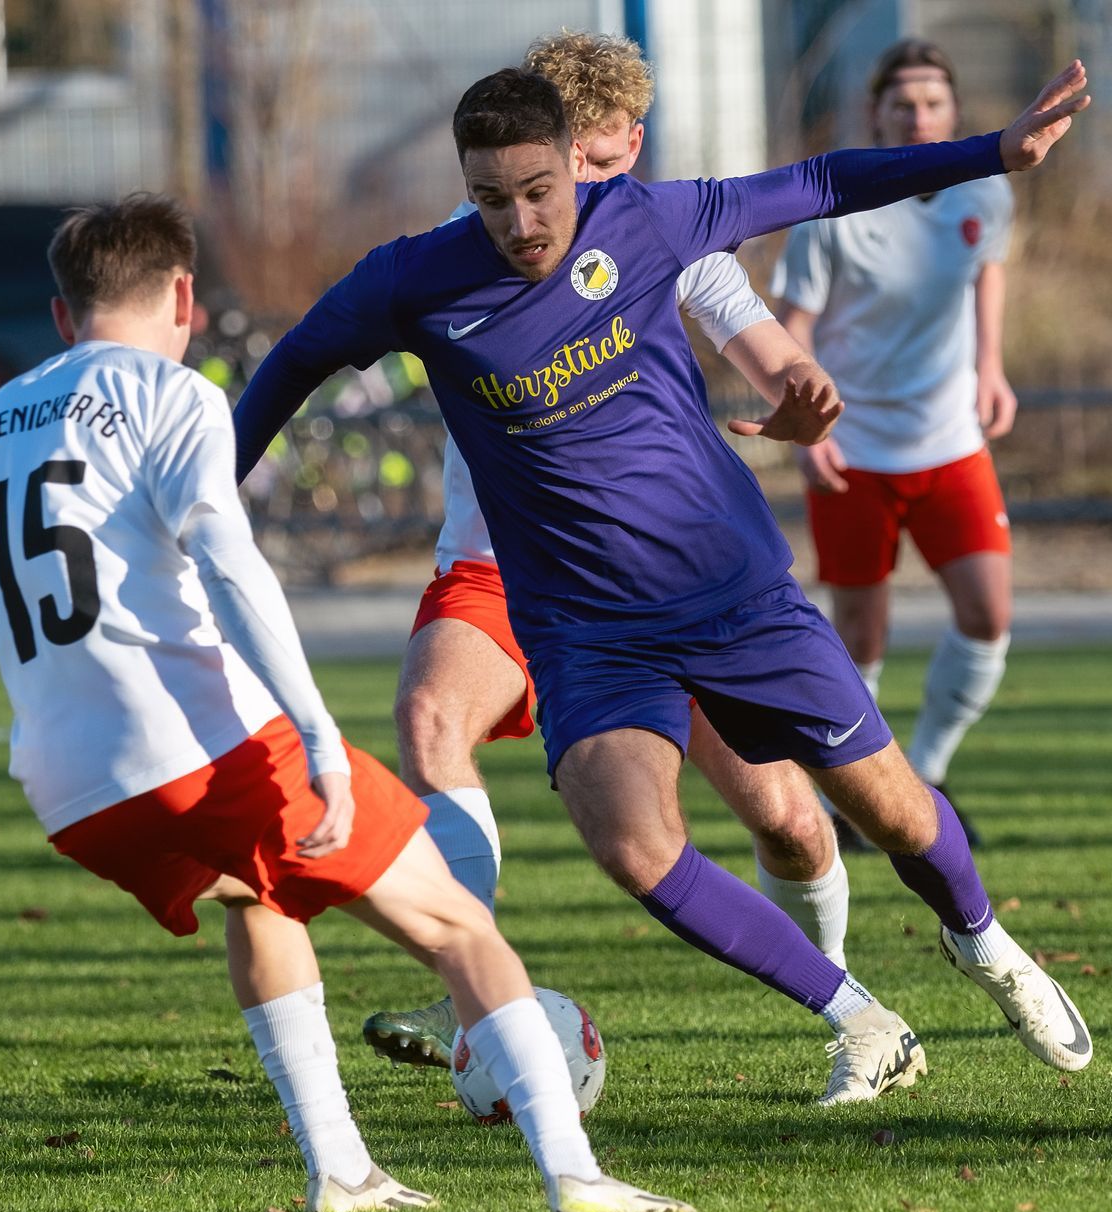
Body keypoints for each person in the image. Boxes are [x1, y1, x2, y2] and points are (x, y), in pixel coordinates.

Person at [235, 65, 1097, 1105]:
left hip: (733, 596)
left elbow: (821, 181)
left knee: (894, 816)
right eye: (491, 199)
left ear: (575, 165)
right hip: (585, 631)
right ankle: (857, 1013)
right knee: (634, 844)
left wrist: (992, 152)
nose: (520, 222)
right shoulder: (415, 279)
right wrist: (205, 492)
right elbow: (293, 363)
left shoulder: (646, 221)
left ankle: (984, 941)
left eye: (538, 192)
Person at [0, 194, 692, 1212]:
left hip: (73, 794)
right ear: (184, 299)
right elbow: (229, 561)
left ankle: (342, 1171)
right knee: (463, 927)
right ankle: (577, 1177)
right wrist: (319, 735)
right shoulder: (172, 394)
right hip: (209, 751)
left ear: (63, 315)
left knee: (260, 896)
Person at [360, 30, 854, 1070]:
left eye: (596, 158)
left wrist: (802, 395)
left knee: (787, 820)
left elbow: (768, 349)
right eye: (556, 162)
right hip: (502, 565)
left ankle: (843, 1002)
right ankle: (472, 989)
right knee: (430, 711)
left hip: (659, 573)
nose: (563, 193)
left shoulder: (666, 232)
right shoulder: (467, 245)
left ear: (631, 146)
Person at [773, 40, 1018, 847]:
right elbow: (791, 328)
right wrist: (805, 431)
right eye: (903, 104)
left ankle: (929, 776)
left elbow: (987, 268)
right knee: (860, 637)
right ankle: (857, 799)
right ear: (875, 114)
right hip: (855, 452)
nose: (919, 117)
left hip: (951, 444)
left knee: (988, 615)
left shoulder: (985, 191)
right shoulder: (833, 206)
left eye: (934, 103)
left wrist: (990, 365)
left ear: (954, 112)